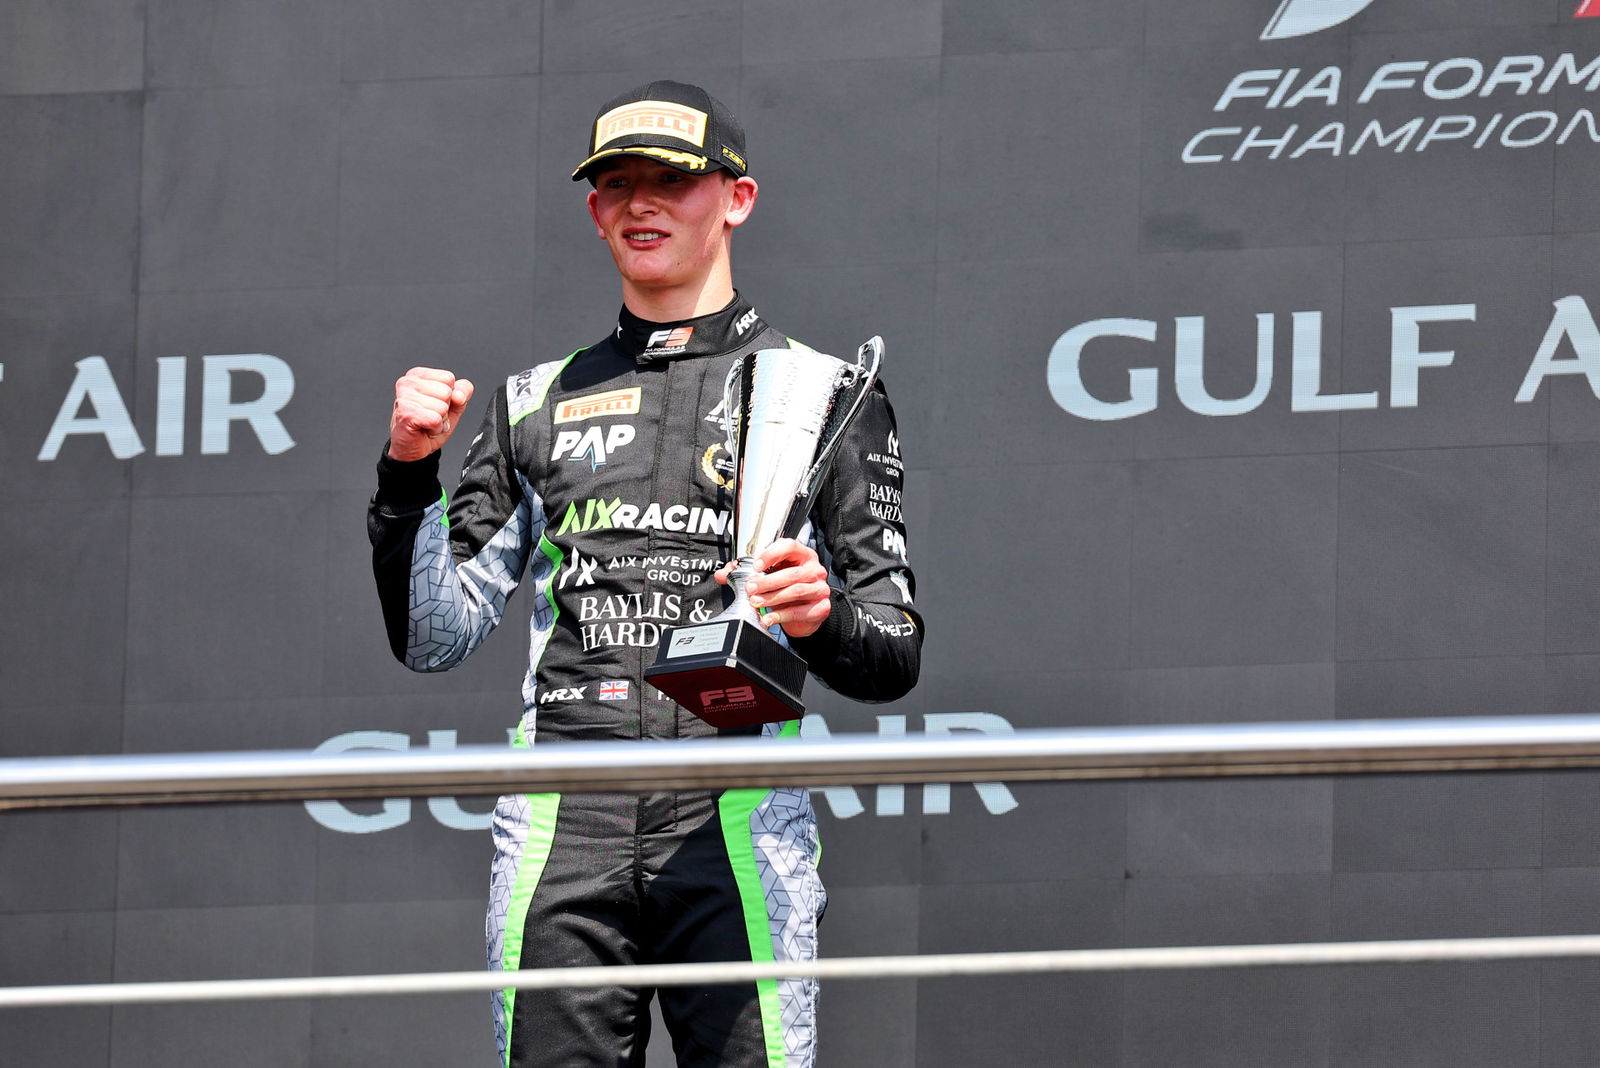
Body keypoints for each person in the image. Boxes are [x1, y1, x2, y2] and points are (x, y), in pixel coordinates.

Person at [368, 80, 921, 1068]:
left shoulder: (822, 391)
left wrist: (818, 620)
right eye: (617, 183)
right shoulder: (532, 401)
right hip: (560, 821)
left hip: (738, 809)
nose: (641, 203)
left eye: (670, 179)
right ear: (593, 212)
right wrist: (409, 470)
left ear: (735, 198)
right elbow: (433, 636)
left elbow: (891, 656)